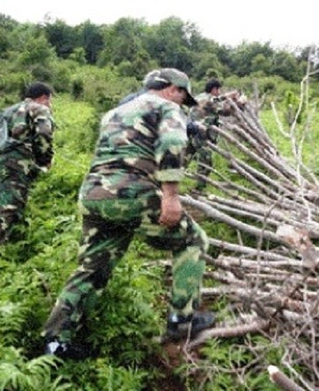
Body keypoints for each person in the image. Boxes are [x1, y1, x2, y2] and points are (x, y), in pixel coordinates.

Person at [43, 68, 214, 360]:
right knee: (192, 241)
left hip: (93, 194)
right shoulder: (167, 107)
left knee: (93, 268)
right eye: (183, 97)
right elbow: (172, 145)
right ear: (174, 89)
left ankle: (56, 341)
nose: (182, 104)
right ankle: (181, 320)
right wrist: (171, 197)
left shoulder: (115, 112)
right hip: (131, 193)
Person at [0, 82, 55, 245]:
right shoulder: (39, 109)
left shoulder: (8, 110)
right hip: (15, 162)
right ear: (44, 98)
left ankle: (10, 238)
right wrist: (45, 160)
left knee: (5, 198)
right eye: (49, 100)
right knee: (9, 207)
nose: (50, 104)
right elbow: (44, 134)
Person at [188, 79, 240, 191]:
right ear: (214, 89)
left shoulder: (201, 96)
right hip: (201, 136)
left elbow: (216, 99)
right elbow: (225, 112)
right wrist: (239, 102)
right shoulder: (210, 101)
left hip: (192, 133)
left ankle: (168, 182)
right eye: (218, 89)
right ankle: (198, 190)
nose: (220, 92)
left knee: (184, 159)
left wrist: (227, 96)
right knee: (206, 163)